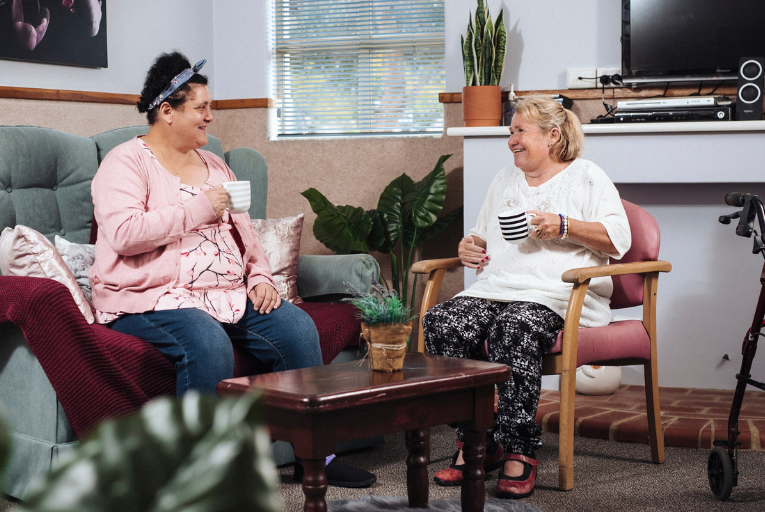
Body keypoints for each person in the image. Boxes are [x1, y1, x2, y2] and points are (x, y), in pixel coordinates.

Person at [90, 51, 375, 488]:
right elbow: (125, 234)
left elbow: (247, 236)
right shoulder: (125, 163)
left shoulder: (216, 166)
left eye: (210, 107)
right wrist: (199, 207)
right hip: (154, 296)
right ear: (167, 111)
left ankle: (318, 455)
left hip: (226, 292)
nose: (210, 117)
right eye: (201, 108)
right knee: (207, 344)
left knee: (298, 329)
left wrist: (260, 276)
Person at [422, 96, 631, 499]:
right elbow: (481, 237)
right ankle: (477, 440)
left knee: (513, 329)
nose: (511, 140)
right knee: (441, 322)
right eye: (510, 131)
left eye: (520, 131)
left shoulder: (587, 176)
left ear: (553, 135)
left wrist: (564, 225)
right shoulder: (504, 180)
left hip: (557, 293)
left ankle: (519, 448)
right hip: (497, 288)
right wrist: (469, 247)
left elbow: (619, 240)